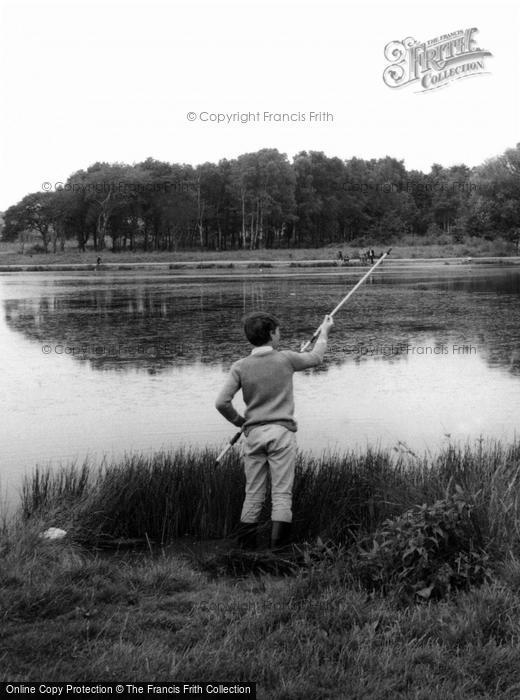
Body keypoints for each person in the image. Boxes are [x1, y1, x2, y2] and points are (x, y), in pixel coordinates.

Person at [215, 311, 334, 551]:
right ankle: (276, 553)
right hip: (281, 434)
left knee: (253, 495)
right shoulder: (286, 359)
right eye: (278, 331)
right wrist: (324, 332)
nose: (280, 334)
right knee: (281, 495)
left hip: (254, 436)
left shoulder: (240, 366)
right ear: (271, 333)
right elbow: (316, 358)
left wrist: (241, 423)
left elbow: (221, 403)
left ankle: (245, 553)